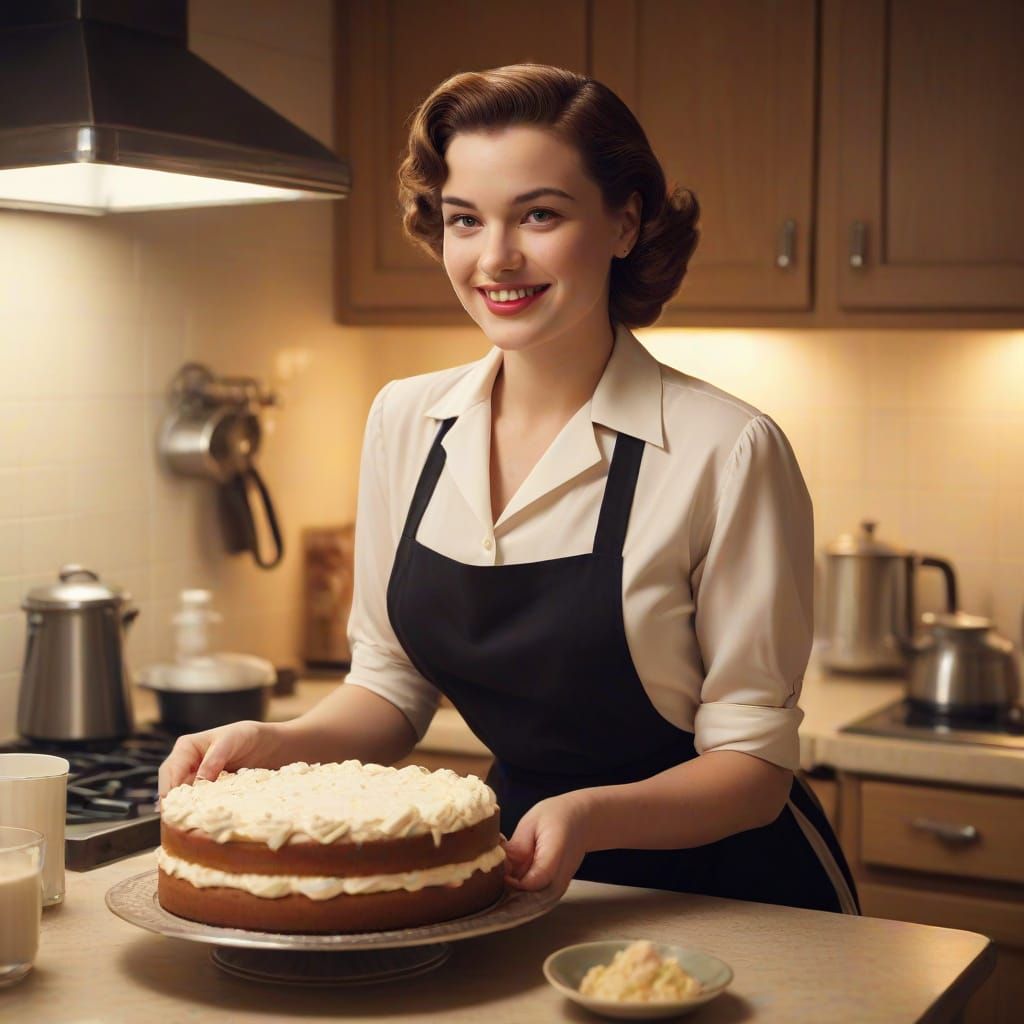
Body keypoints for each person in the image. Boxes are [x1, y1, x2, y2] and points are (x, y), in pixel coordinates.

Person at [159, 63, 859, 916]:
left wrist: (589, 814)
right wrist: (274, 741)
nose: (496, 258)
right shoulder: (405, 422)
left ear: (625, 222)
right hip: (526, 876)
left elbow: (753, 775)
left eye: (539, 214)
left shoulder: (727, 449)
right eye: (465, 220)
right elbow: (391, 688)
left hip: (737, 897)